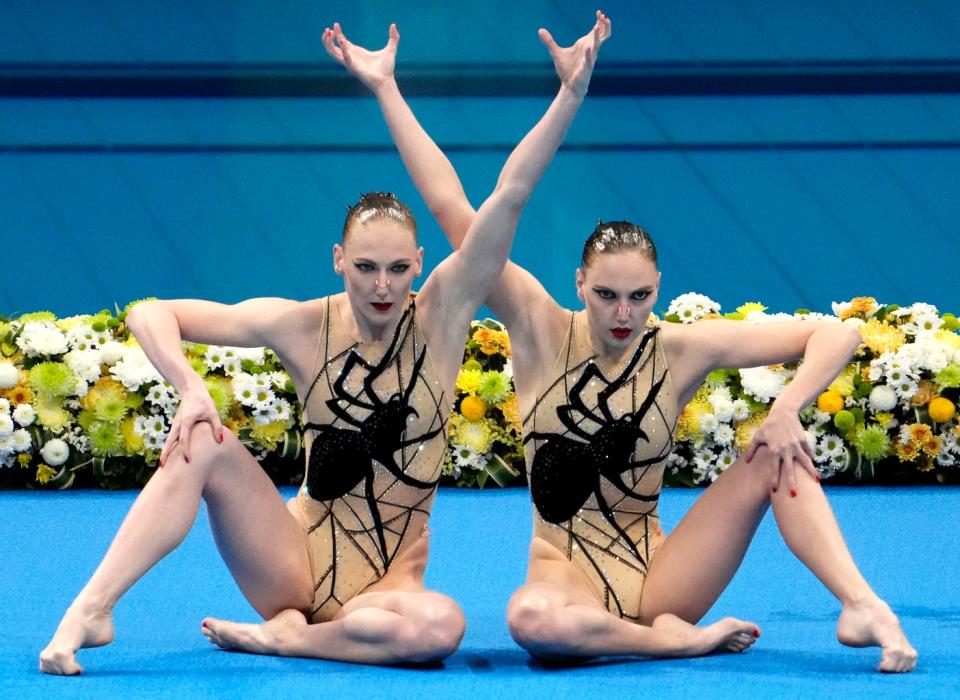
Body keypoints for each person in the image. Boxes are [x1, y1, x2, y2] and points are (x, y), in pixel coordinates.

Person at [38, 15, 607, 675]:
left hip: (387, 592)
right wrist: (190, 390)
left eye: (398, 269)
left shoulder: (442, 319)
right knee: (200, 441)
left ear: (421, 264)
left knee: (441, 628)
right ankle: (92, 609)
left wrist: (568, 97)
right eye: (367, 267)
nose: (384, 285)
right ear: (339, 260)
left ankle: (289, 639)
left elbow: (505, 199)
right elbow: (150, 313)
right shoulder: (304, 324)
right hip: (292, 561)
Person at [352, 12, 918, 673]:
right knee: (530, 619)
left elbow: (838, 330)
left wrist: (789, 407)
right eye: (606, 296)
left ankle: (862, 604)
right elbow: (466, 208)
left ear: (657, 291)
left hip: (658, 577)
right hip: (564, 577)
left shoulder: (678, 348)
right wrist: (392, 89)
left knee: (776, 452)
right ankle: (671, 642)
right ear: (579, 284)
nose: (622, 313)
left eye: (639, 297)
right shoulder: (539, 328)